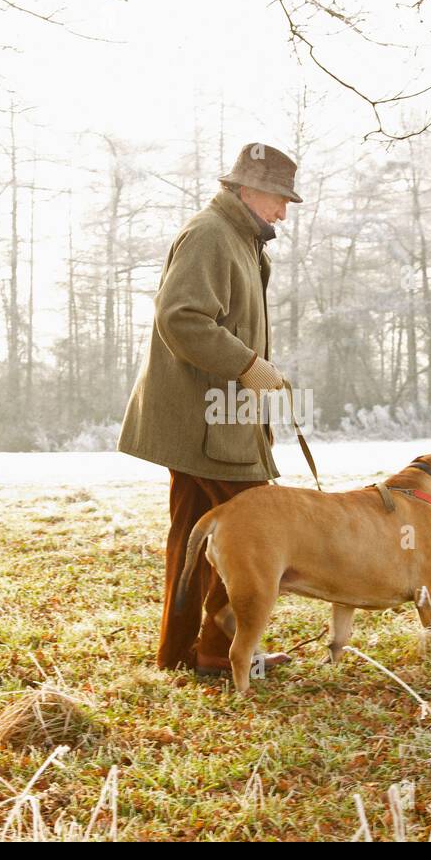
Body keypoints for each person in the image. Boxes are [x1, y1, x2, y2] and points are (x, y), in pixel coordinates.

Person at [118, 142, 303, 674]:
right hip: (208, 424)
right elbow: (182, 318)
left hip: (218, 420)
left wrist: (250, 372)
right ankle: (219, 654)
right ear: (248, 190)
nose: (283, 211)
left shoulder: (239, 238)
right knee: (255, 532)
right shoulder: (211, 235)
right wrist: (248, 365)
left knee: (197, 540)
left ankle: (185, 655)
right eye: (278, 198)